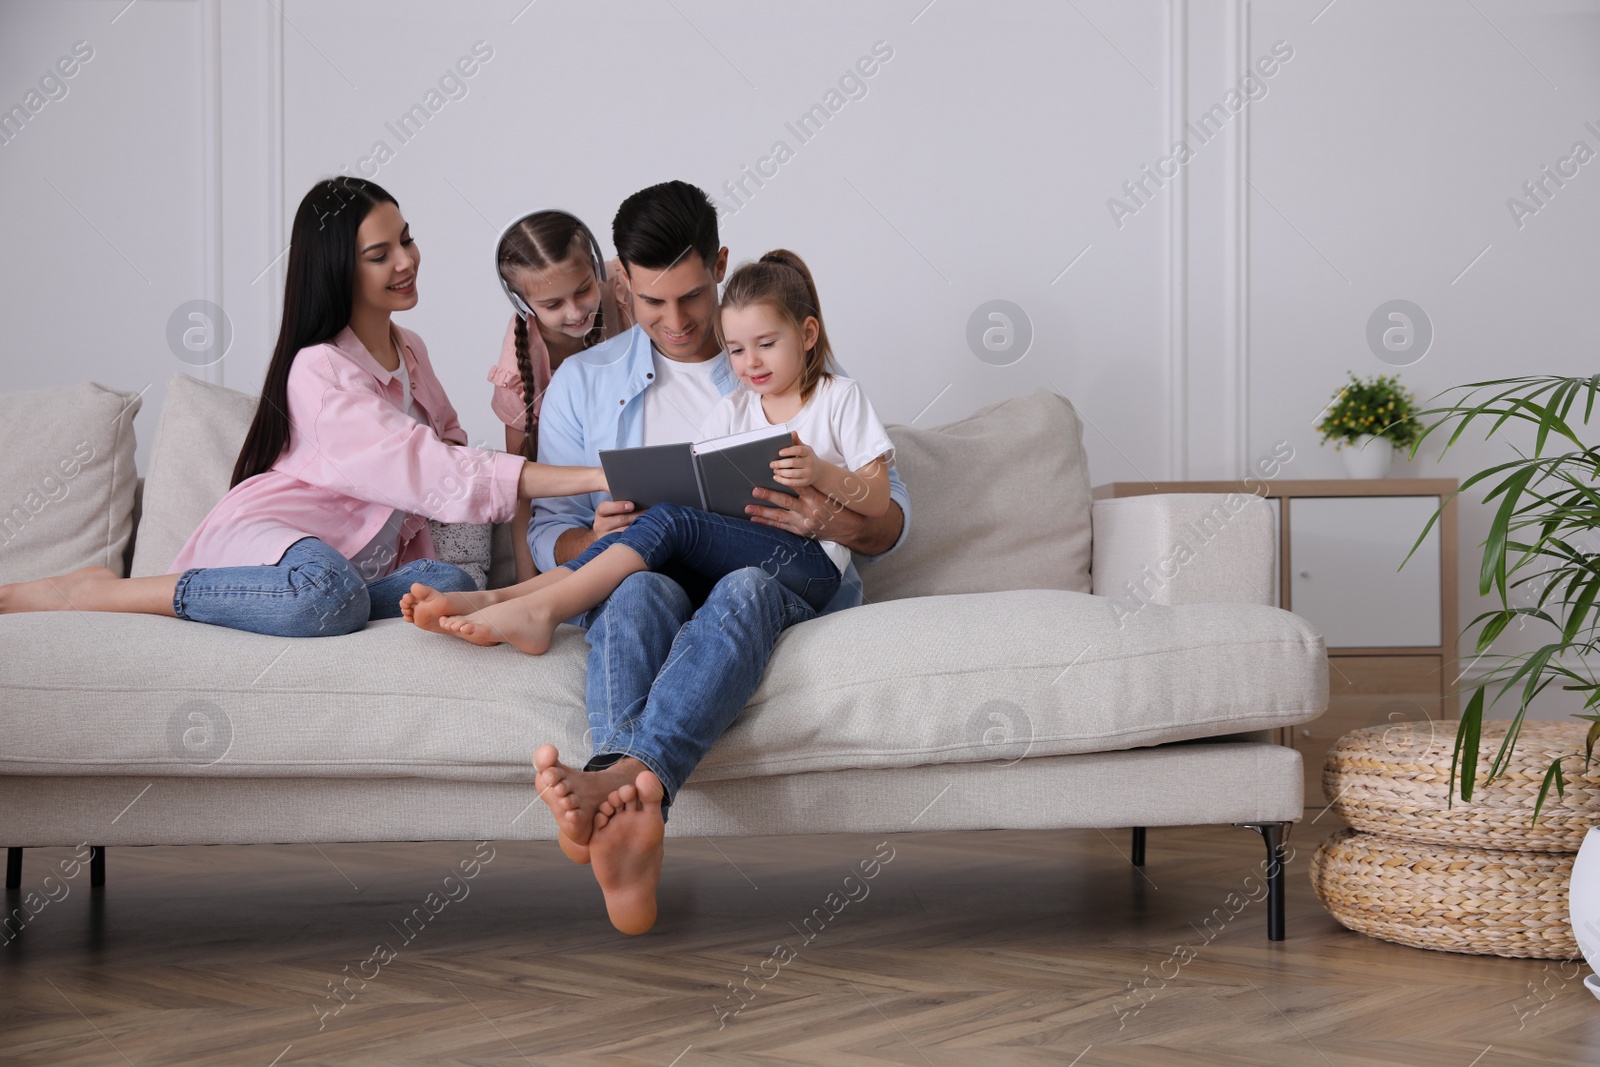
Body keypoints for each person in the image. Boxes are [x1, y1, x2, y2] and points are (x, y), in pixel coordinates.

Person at [405, 182, 911, 935]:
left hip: (773, 575)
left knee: (739, 581)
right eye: (651, 303)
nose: (676, 323)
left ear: (722, 267)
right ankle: (631, 808)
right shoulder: (592, 381)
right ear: (621, 283)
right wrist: (594, 535)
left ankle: (562, 643)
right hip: (657, 574)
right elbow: (552, 526)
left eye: (693, 297)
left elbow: (886, 519)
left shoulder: (774, 358)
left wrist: (825, 509)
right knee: (639, 591)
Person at [0, 178, 606, 635]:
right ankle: (102, 591)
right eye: (380, 254)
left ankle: (333, 596)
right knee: (323, 592)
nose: (406, 261)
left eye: (407, 239)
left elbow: (449, 445)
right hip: (282, 543)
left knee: (445, 583)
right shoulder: (318, 367)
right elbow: (431, 468)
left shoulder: (410, 350)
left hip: (357, 568)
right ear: (338, 268)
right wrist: (594, 475)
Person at [418, 248, 895, 656]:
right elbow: (703, 493)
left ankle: (538, 609)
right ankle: (502, 599)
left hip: (808, 565)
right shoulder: (733, 409)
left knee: (668, 521)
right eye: (735, 350)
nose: (751, 363)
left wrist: (823, 473)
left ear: (807, 336)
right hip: (742, 563)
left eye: (766, 345)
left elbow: (877, 499)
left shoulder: (838, 396)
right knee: (658, 525)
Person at [486, 211, 634, 581]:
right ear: (523, 304)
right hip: (576, 505)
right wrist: (527, 582)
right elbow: (521, 483)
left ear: (598, 267)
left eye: (584, 289)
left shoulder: (630, 289)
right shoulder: (518, 371)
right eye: (553, 305)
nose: (576, 311)